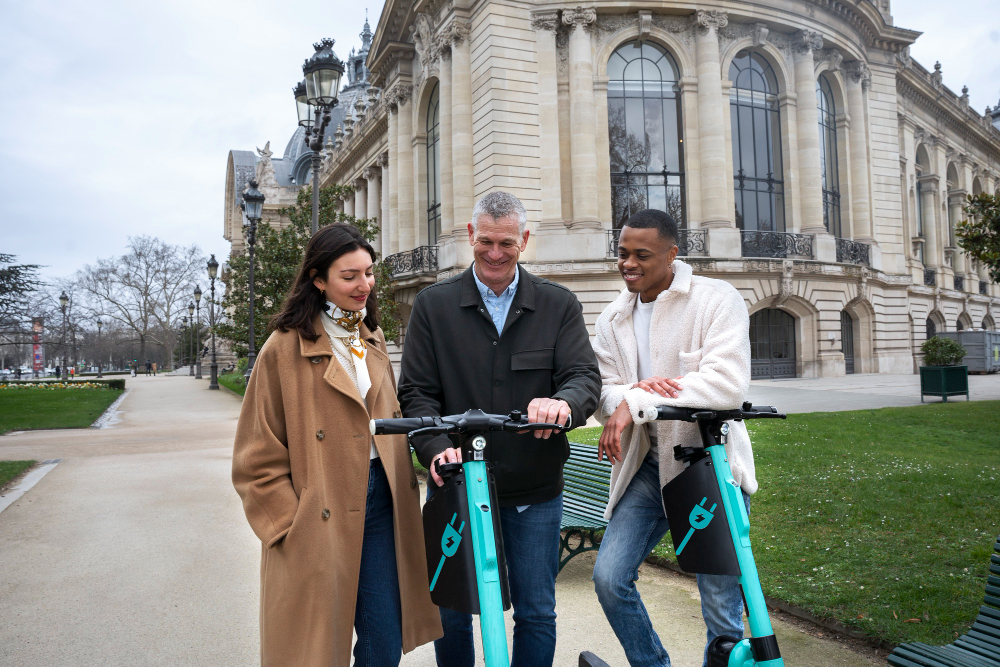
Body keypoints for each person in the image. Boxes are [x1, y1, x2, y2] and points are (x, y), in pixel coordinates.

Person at [398, 191, 601, 667]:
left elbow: (583, 379)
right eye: (485, 240)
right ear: (470, 235)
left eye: (506, 243)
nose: (494, 252)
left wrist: (562, 404)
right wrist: (433, 451)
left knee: (535, 611)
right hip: (457, 484)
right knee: (451, 610)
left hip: (534, 488)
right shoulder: (433, 307)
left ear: (524, 240)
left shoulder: (558, 305)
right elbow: (416, 394)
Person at [232, 224, 441, 666]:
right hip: (321, 505)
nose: (364, 285)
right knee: (317, 649)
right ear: (318, 278)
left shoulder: (372, 337)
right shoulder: (282, 349)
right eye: (349, 276)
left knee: (384, 640)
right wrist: (290, 526)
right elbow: (255, 458)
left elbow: (391, 420)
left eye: (369, 272)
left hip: (382, 501)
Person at [591, 209, 756, 667]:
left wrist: (637, 402)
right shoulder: (612, 318)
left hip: (709, 466)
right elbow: (604, 394)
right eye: (623, 253)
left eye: (642, 255)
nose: (629, 263)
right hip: (646, 467)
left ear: (672, 254)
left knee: (722, 608)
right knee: (608, 577)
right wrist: (633, 395)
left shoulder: (715, 300)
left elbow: (727, 383)